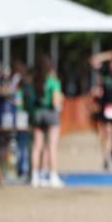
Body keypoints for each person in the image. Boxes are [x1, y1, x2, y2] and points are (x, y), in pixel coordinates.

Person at [30, 54, 64, 188]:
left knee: (37, 146)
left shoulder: (35, 81)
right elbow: (56, 103)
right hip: (50, 114)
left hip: (37, 113)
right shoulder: (53, 82)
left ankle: (35, 176)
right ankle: (53, 176)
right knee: (52, 146)